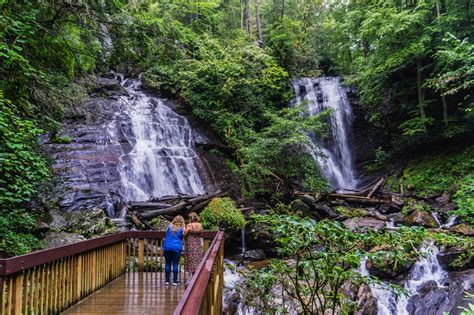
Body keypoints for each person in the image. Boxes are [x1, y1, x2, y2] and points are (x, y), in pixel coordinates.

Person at [163, 215, 185, 286]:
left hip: (167, 247)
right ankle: (175, 281)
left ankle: (167, 281)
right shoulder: (182, 229)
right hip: (176, 248)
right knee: (175, 264)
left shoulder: (169, 227)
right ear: (181, 221)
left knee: (167, 263)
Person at [184, 212, 203, 277]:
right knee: (198, 257)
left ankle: (192, 275)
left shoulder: (189, 225)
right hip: (198, 243)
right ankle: (198, 273)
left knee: (191, 258)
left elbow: (185, 234)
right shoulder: (200, 225)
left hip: (191, 243)